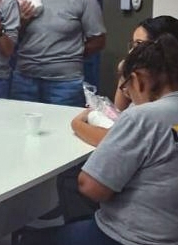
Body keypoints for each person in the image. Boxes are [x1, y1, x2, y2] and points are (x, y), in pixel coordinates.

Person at [12, 36, 178, 245]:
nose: (129, 97)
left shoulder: (143, 117)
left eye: (127, 88)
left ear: (138, 79)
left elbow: (91, 187)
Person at [11, 0, 106, 106]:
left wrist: (70, 55)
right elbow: (11, 36)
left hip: (64, 84)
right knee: (22, 120)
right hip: (25, 79)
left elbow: (98, 40)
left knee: (61, 122)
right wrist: (23, 20)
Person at [72, 14, 178, 147]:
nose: (132, 51)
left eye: (139, 44)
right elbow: (118, 111)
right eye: (132, 44)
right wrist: (125, 73)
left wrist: (77, 124)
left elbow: (115, 140)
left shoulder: (150, 109)